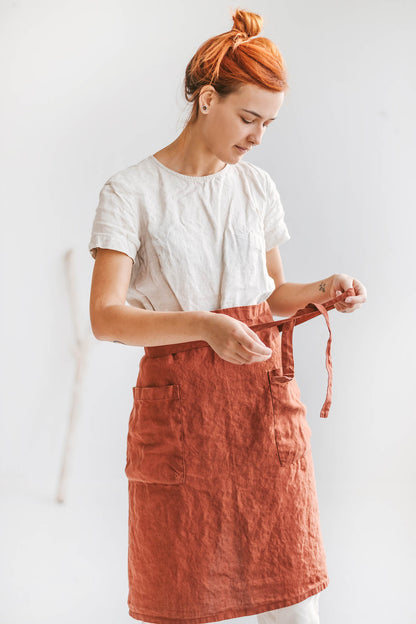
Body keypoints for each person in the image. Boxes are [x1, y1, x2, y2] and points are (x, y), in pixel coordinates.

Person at [88, 8, 367, 624]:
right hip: (182, 413)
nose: (258, 137)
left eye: (269, 123)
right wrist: (206, 325)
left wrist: (324, 288)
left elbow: (269, 294)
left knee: (294, 604)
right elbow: (107, 317)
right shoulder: (131, 192)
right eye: (249, 118)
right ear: (207, 99)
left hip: (263, 409)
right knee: (183, 596)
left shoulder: (256, 188)